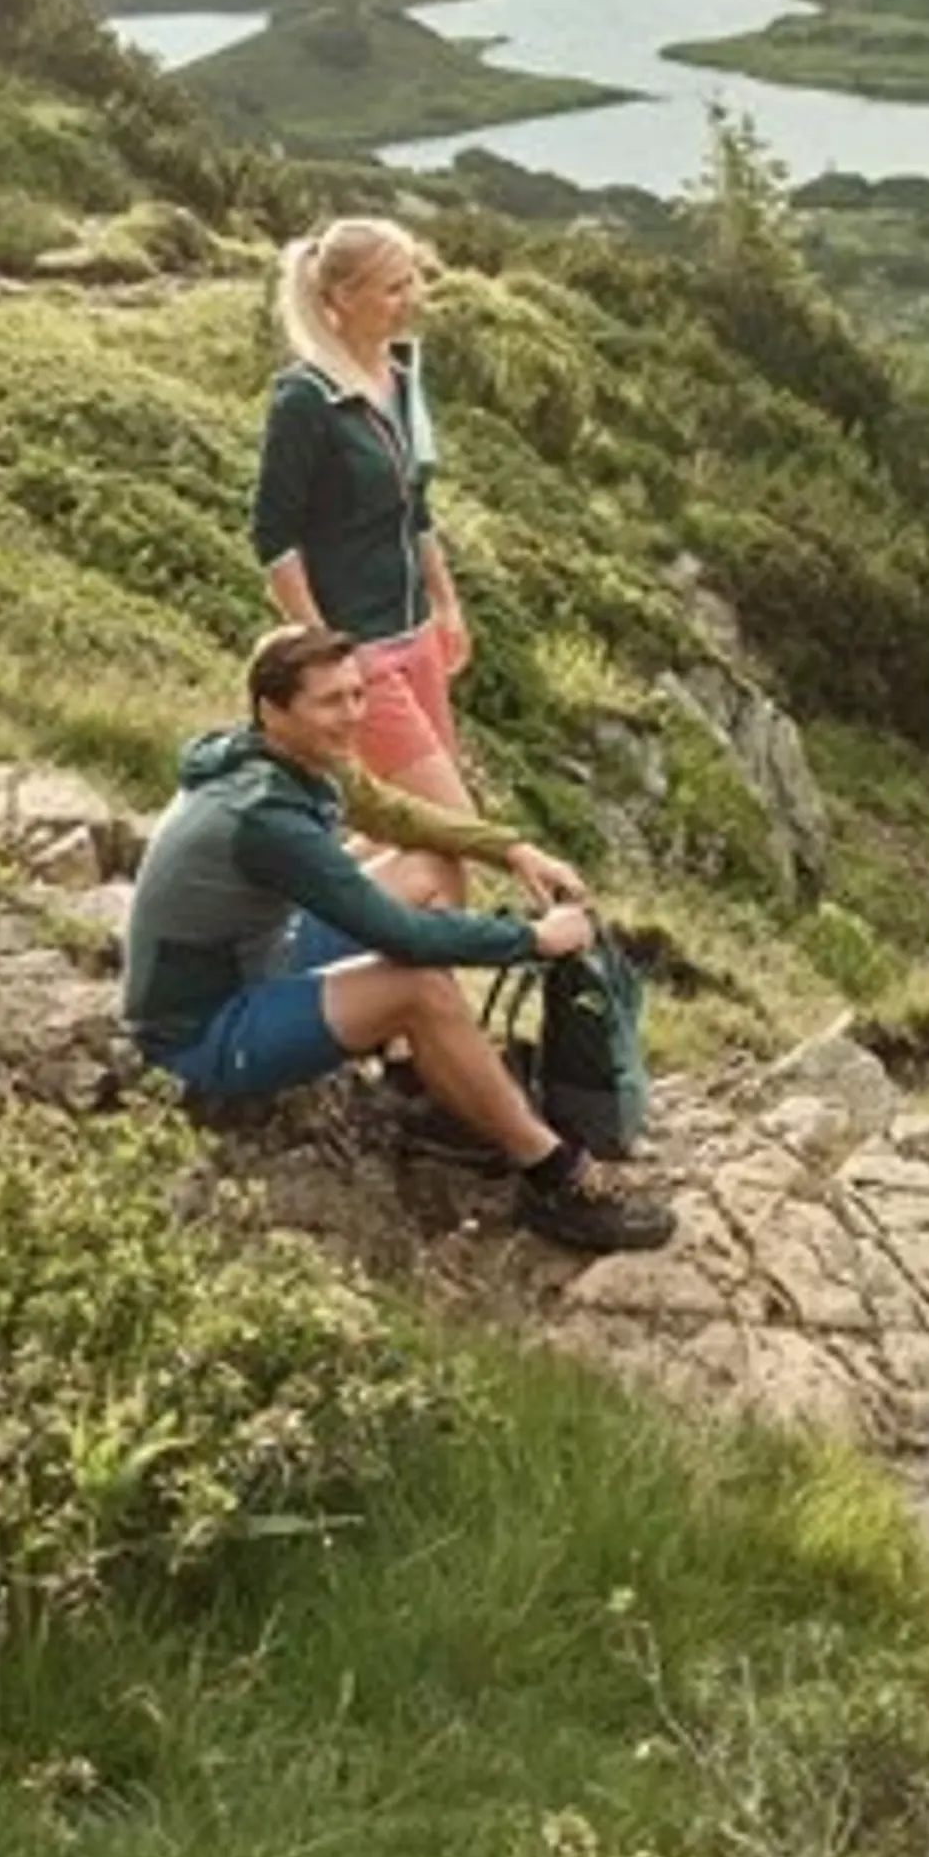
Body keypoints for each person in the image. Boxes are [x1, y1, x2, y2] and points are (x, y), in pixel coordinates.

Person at [123, 624, 674, 1255]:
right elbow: (401, 936)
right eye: (331, 701)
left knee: (429, 865)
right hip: (204, 1030)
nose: (353, 715)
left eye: (358, 694)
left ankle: (425, 1077)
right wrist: (533, 938)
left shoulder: (286, 757)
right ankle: (556, 1180)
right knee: (419, 987)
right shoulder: (263, 816)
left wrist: (512, 849)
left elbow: (394, 813)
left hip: (260, 957)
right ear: (272, 710)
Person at [252, 218, 481, 863]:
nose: (411, 300)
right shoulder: (305, 400)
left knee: (401, 830)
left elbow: (415, 508)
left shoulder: (401, 380)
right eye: (393, 287)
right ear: (342, 297)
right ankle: (304, 913)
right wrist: (325, 652)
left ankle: (292, 906)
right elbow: (273, 539)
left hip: (418, 638)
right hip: (361, 653)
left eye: (412, 283)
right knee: (450, 830)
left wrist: (446, 605)